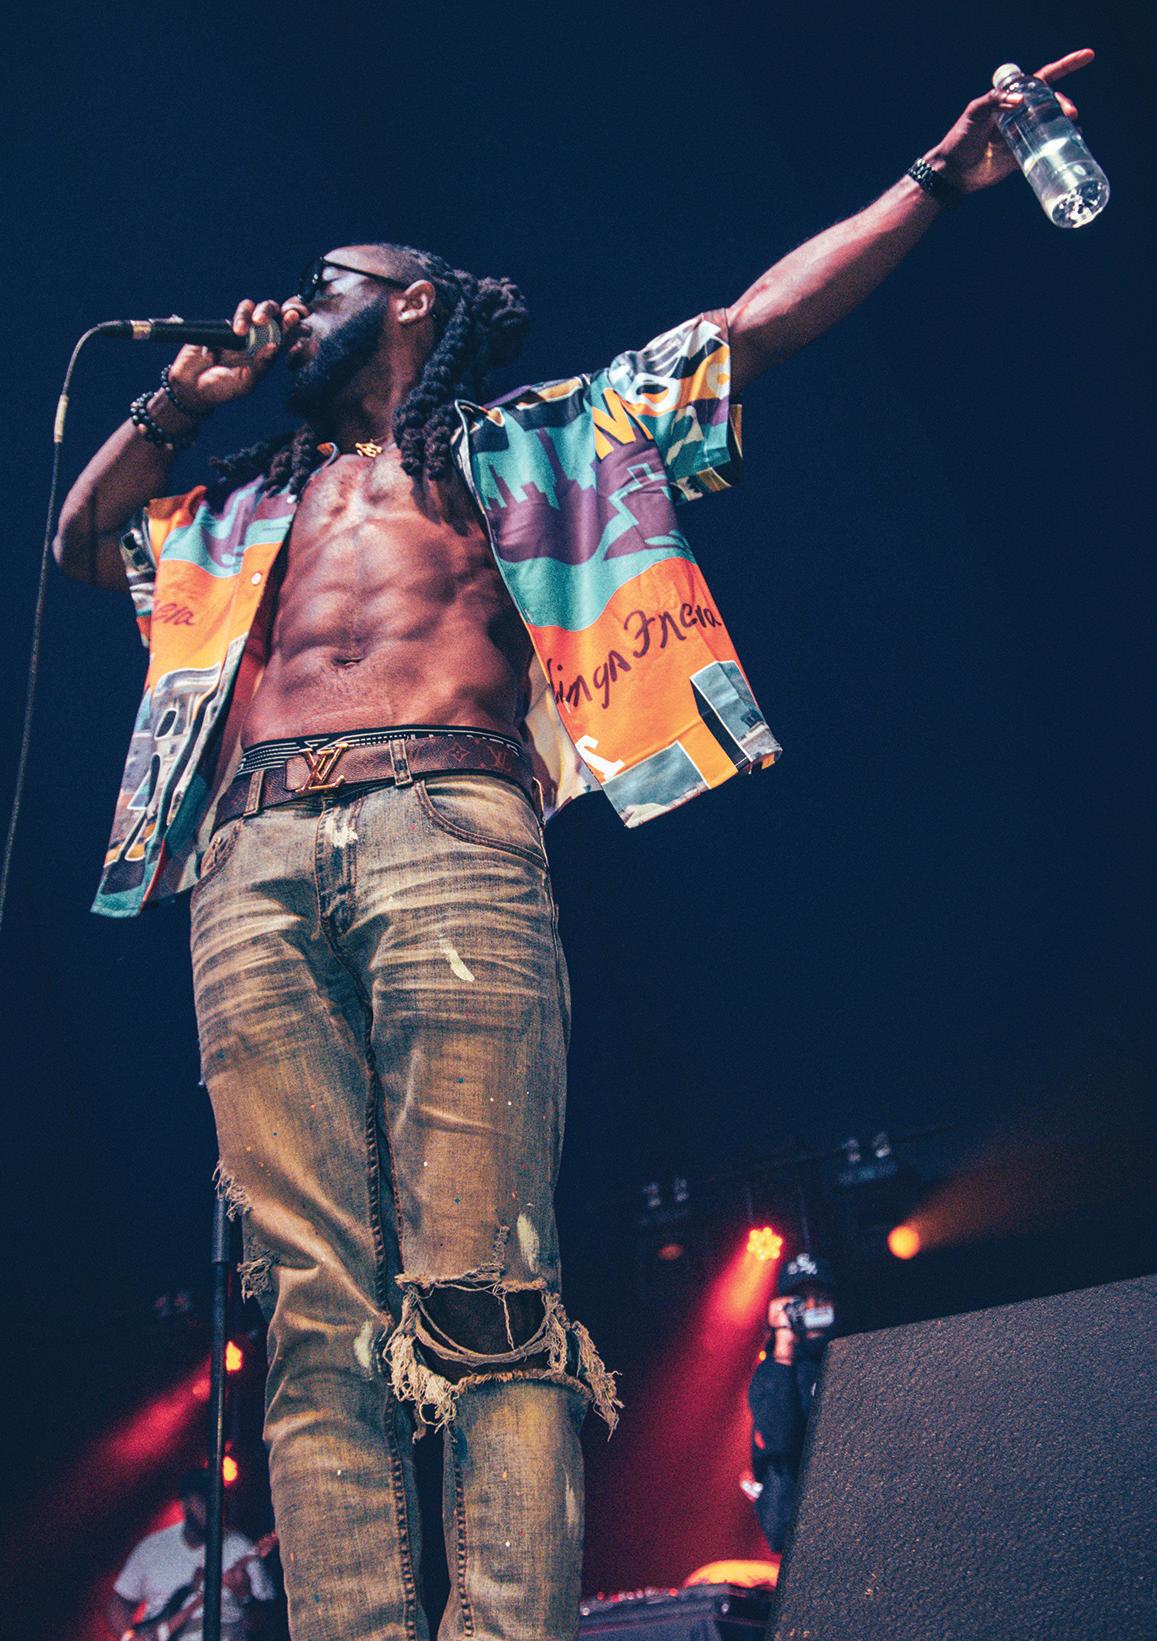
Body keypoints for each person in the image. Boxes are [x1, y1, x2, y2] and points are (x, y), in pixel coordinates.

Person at [56, 48, 1092, 1641]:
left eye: (326, 285)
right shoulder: (237, 504)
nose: (291, 305)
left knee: (481, 1273)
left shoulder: (535, 440)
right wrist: (172, 406)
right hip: (248, 866)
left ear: (409, 303)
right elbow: (81, 543)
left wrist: (934, 181)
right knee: (313, 1308)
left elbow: (752, 331)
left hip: (448, 827)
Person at [106, 1469, 274, 1641]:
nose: (212, 1506)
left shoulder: (242, 1548)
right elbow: (119, 1602)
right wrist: (129, 1636)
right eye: (203, 1500)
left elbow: (263, 1624)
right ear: (184, 1503)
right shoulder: (153, 1547)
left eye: (217, 1498)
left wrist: (245, 1596)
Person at [745, 1253, 839, 1554]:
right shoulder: (773, 1372)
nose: (812, 1308)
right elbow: (779, 1437)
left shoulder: (852, 1360)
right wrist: (784, 1339)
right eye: (800, 1301)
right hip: (801, 1529)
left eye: (821, 1298)